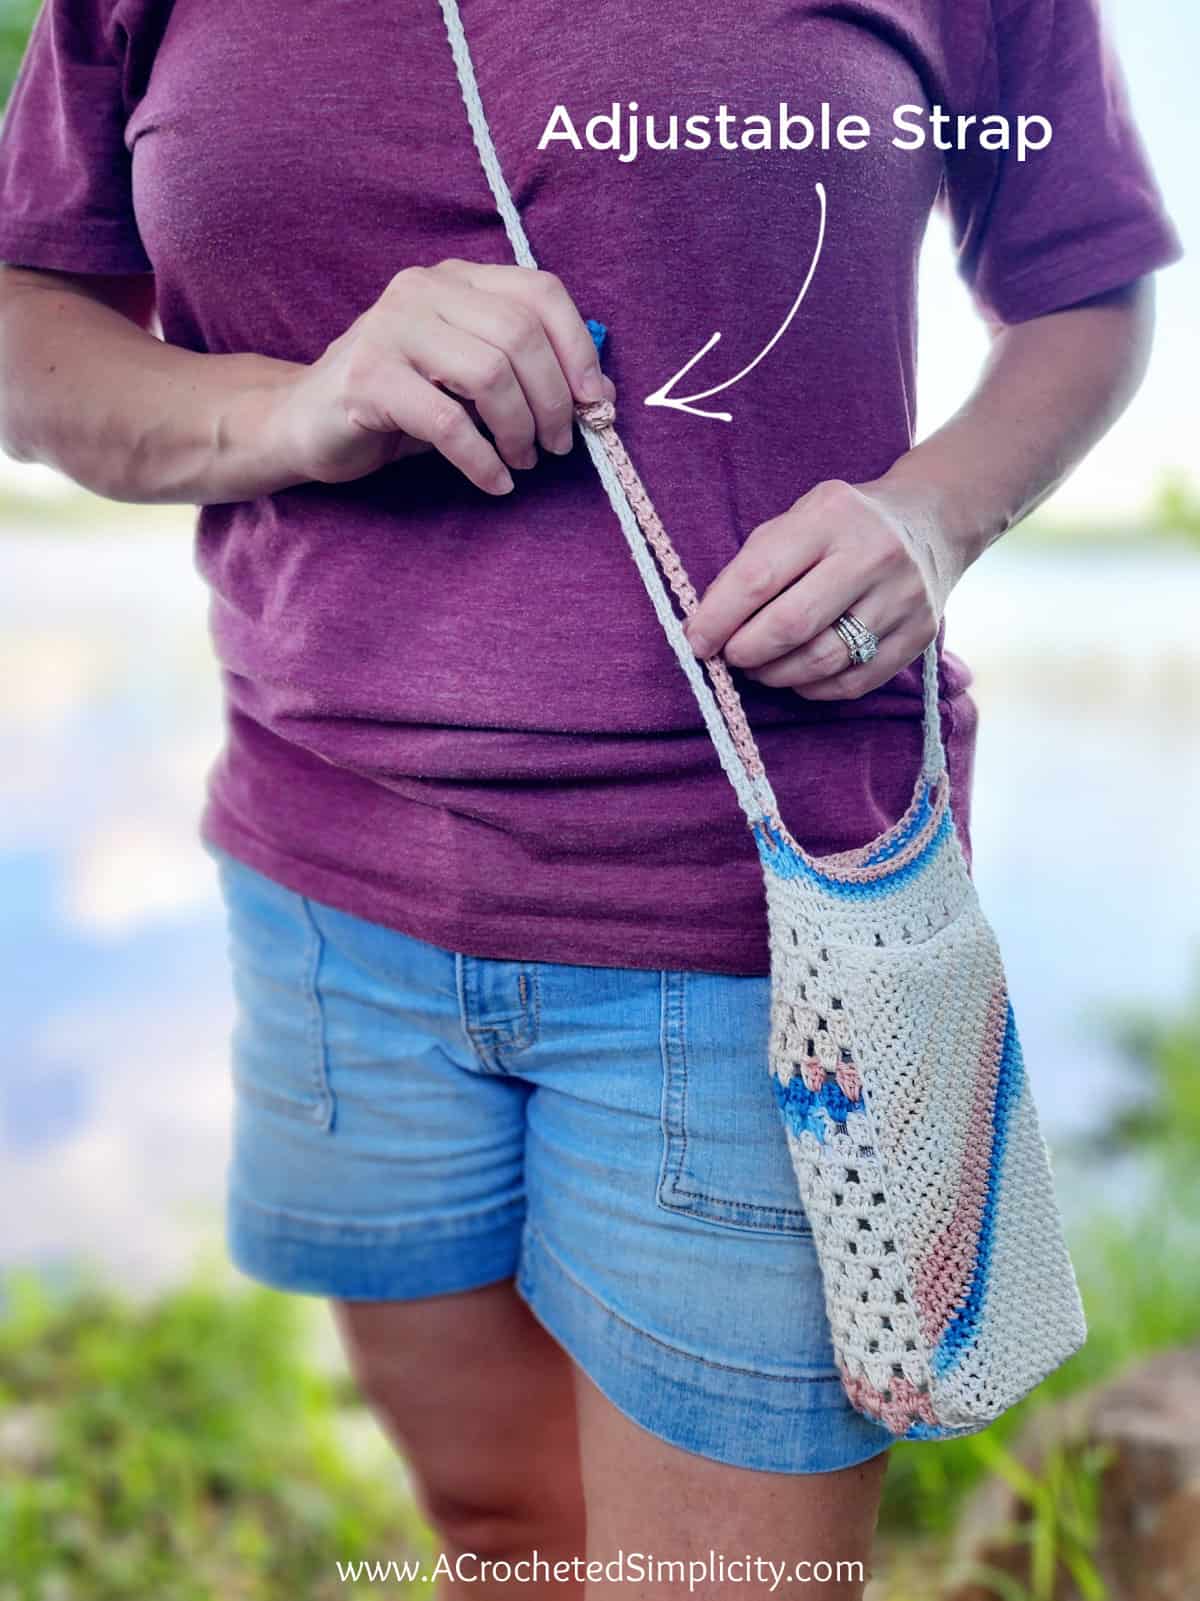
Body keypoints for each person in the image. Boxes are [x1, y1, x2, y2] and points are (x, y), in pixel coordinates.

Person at [0, 1, 1180, 1595]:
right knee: (496, 1534)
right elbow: (29, 322)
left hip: (753, 929)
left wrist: (935, 514)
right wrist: (292, 407)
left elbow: (1084, 287)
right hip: (321, 897)